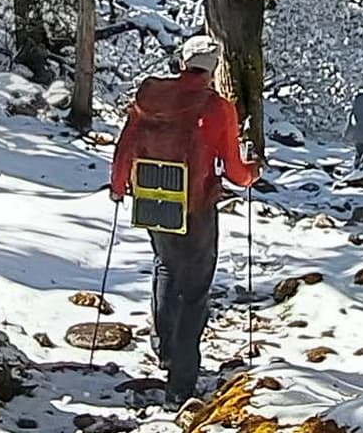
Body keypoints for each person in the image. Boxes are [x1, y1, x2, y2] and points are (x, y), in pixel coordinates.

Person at [109, 34, 256, 399]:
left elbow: (126, 143)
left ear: (181, 62)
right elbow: (235, 171)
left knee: (164, 266)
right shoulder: (218, 108)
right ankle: (182, 380)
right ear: (213, 69)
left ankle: (165, 349)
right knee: (195, 290)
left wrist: (117, 186)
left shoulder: (150, 96)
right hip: (196, 207)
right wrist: (252, 174)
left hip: (152, 201)